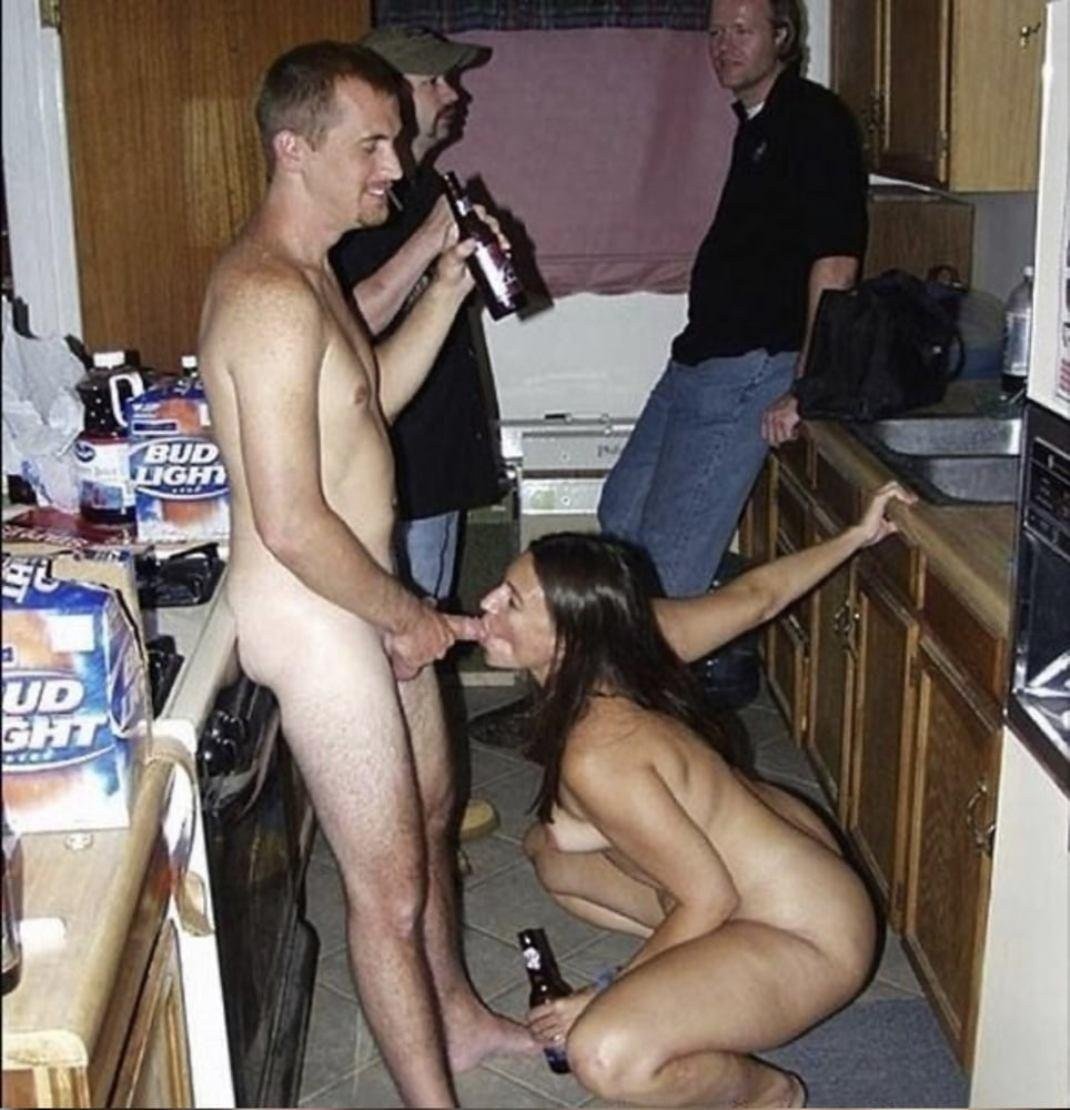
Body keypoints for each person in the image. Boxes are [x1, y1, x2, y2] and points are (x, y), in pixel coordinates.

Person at [197, 42, 532, 1108]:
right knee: (386, 894)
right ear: (293, 149)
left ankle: (458, 1022)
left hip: (365, 592)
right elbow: (292, 522)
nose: (395, 166)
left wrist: (446, 288)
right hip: (316, 617)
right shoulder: (265, 295)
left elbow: (365, 400)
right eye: (372, 145)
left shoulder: (313, 271)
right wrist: (404, 615)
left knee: (430, 817)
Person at [467, 481, 915, 1107]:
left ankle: (771, 1095)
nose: (487, 602)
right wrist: (856, 536)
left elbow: (707, 897)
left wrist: (605, 993)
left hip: (812, 933)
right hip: (785, 862)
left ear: (569, 637)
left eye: (511, 602)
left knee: (605, 1052)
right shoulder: (626, 638)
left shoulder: (597, 753)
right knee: (550, 851)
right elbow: (755, 598)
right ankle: (696, 979)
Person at [598, 0, 868, 598]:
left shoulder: (815, 121)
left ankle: (673, 654)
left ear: (782, 36)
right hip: (698, 358)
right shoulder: (758, 123)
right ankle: (656, 646)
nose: (724, 45)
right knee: (619, 516)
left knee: (669, 567)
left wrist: (807, 385)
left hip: (749, 369)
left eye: (742, 30)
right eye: (716, 33)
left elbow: (836, 263)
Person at [329, 27, 501, 604]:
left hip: (438, 457)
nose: (454, 94)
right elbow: (343, 323)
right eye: (435, 81)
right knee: (404, 628)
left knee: (432, 612)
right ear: (390, 95)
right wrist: (429, 241)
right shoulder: (356, 203)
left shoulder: (426, 188)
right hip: (396, 462)